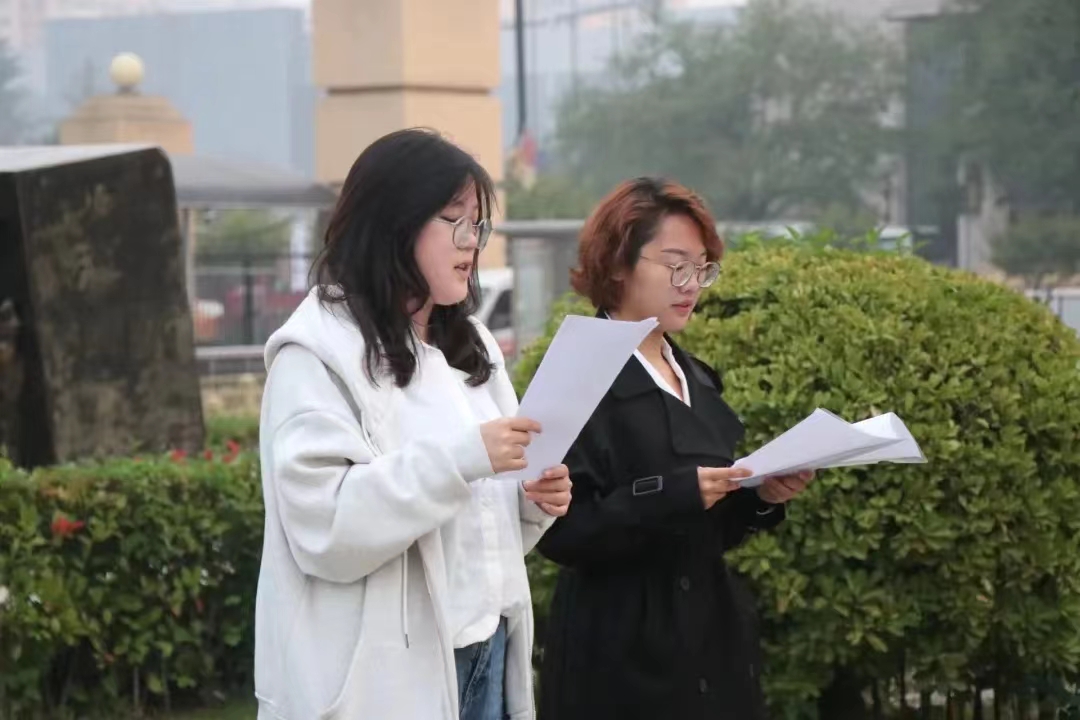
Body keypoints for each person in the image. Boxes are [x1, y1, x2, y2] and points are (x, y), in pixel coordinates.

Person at [254, 128, 572, 720]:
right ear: (393, 225)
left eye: (477, 225)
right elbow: (324, 529)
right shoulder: (316, 354)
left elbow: (478, 526)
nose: (471, 243)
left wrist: (530, 502)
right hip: (382, 683)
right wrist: (464, 458)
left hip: (489, 652)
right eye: (454, 221)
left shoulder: (471, 346)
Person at [536, 177, 814, 720]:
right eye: (675, 266)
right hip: (620, 650)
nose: (691, 285)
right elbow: (561, 533)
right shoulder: (578, 371)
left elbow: (711, 527)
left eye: (702, 269)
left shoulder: (696, 376)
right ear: (618, 262)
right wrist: (671, 495)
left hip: (708, 636)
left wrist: (761, 497)